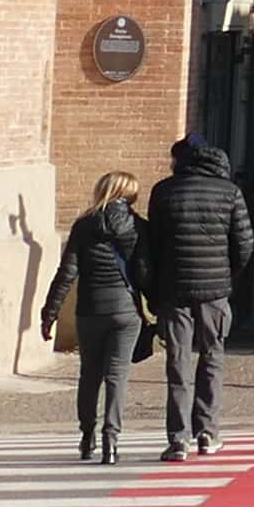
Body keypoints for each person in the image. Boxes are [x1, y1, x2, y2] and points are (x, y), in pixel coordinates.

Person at [144, 132, 254, 458]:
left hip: (174, 290)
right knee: (212, 359)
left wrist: (156, 287)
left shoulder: (163, 192)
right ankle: (207, 433)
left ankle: (178, 439)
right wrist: (225, 273)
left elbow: (153, 245)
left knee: (177, 363)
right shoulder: (230, 192)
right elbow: (245, 244)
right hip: (215, 291)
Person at [36, 170, 149, 465]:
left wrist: (50, 313)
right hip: (126, 309)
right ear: (131, 195)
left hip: (90, 309)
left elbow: (66, 273)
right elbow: (146, 272)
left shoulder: (84, 225)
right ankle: (112, 440)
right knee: (117, 376)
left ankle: (87, 437)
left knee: (90, 375)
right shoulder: (138, 227)